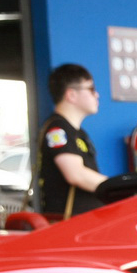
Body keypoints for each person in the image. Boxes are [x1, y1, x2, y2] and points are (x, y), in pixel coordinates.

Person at [35, 63, 108, 218]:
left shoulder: (78, 132)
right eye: (91, 89)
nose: (97, 95)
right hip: (70, 224)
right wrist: (117, 187)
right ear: (71, 95)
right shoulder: (58, 129)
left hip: (85, 222)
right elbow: (76, 175)